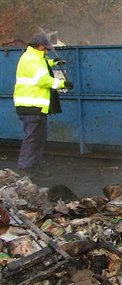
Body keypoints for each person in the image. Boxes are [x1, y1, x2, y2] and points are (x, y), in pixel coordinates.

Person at [13, 33, 73, 177]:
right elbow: (43, 80)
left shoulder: (35, 57)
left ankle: (34, 167)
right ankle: (24, 169)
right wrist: (63, 84)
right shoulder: (31, 59)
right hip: (30, 105)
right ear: (37, 46)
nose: (46, 51)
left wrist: (53, 62)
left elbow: (43, 63)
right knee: (32, 138)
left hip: (36, 106)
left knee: (39, 139)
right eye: (44, 48)